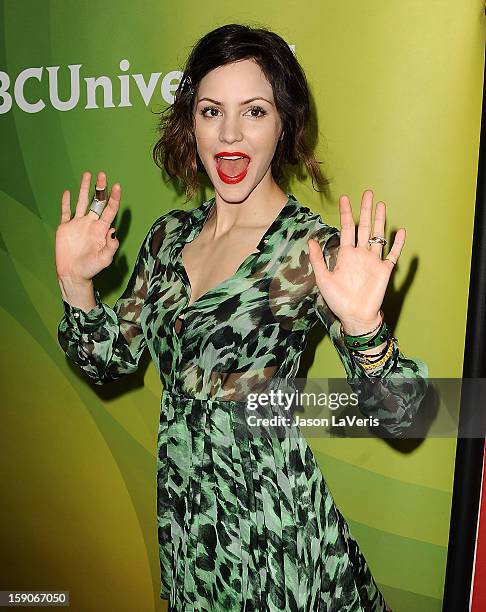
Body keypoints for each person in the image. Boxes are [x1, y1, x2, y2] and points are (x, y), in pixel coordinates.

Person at [56, 23, 427, 612]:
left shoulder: (312, 251)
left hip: (275, 532)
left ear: (283, 124)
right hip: (189, 528)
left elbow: (409, 416)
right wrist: (77, 283)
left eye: (253, 112)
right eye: (211, 111)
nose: (229, 135)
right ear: (191, 123)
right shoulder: (167, 238)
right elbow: (108, 359)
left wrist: (365, 328)